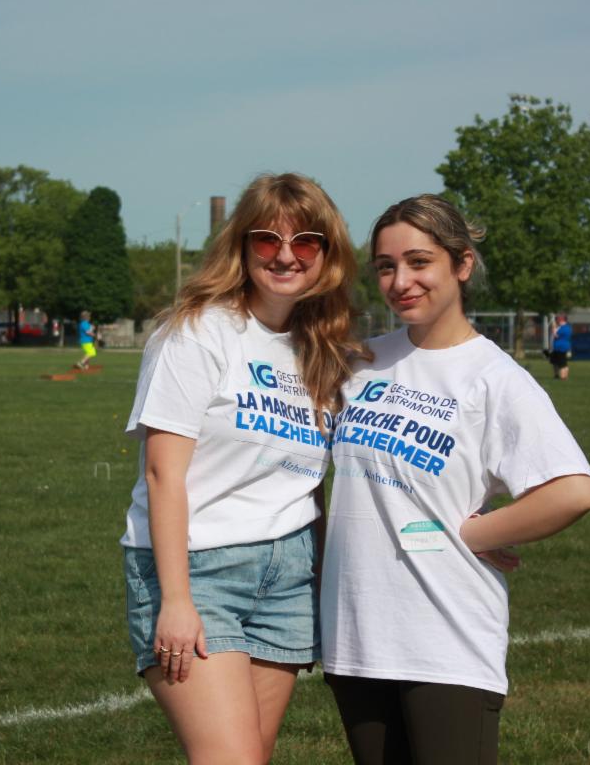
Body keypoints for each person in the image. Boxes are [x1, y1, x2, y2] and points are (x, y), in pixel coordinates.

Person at [321, 194, 590, 765]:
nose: (401, 282)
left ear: (462, 264)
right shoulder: (361, 361)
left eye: (419, 262)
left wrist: (474, 533)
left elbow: (573, 489)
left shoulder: (494, 378)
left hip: (445, 638)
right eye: (386, 267)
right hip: (355, 635)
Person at [121, 172, 366, 763]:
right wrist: (176, 599)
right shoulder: (197, 332)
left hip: (289, 576)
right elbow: (162, 475)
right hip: (199, 569)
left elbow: (316, 482)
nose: (285, 255)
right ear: (241, 244)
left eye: (305, 242)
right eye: (267, 239)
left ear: (326, 254)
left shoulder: (323, 348)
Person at [548, 313, 572, 380]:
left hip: (561, 347)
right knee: (556, 362)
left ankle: (563, 376)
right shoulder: (564, 327)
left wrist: (554, 329)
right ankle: (558, 375)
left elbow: (556, 335)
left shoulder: (564, 328)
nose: (557, 320)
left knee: (562, 363)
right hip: (557, 347)